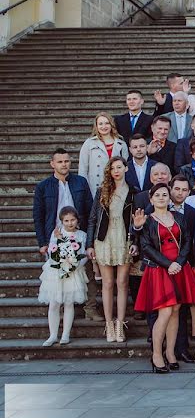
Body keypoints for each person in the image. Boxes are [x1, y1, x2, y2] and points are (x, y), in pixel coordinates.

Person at [133, 183, 195, 372]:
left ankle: (170, 353)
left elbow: (187, 240)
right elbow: (146, 247)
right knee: (164, 312)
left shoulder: (179, 217)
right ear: (151, 199)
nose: (162, 198)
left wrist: (179, 261)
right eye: (158, 195)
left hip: (179, 268)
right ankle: (156, 354)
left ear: (170, 198)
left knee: (176, 310)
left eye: (165, 194)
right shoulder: (147, 220)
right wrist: (168, 264)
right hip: (160, 268)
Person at [33, 149, 99, 321]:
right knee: (60, 274)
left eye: (67, 161)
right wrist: (43, 242)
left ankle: (90, 308)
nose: (64, 164)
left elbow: (91, 212)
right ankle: (65, 308)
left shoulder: (80, 183)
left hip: (79, 234)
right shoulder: (43, 187)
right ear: (52, 164)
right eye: (60, 161)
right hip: (56, 236)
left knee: (87, 273)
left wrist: (89, 240)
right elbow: (38, 216)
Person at [86, 156, 134, 343]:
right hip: (104, 239)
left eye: (119, 167)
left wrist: (135, 241)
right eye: (113, 168)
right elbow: (92, 219)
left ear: (126, 169)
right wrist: (89, 244)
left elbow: (134, 220)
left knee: (122, 282)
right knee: (107, 283)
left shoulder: (132, 192)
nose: (116, 171)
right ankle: (109, 324)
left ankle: (120, 324)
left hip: (123, 238)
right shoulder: (102, 191)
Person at [38, 207, 89, 347]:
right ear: (61, 221)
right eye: (66, 220)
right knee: (54, 303)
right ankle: (53, 335)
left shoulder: (82, 235)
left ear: (77, 220)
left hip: (73, 271)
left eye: (72, 220)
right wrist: (60, 263)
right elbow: (51, 251)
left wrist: (74, 265)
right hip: (56, 272)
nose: (70, 223)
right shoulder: (57, 233)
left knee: (68, 302)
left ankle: (65, 334)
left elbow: (84, 255)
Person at [79, 112, 128, 193]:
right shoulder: (89, 143)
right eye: (100, 124)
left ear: (111, 125)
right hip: (95, 187)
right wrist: (85, 191)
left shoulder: (121, 144)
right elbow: (83, 170)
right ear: (96, 126)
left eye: (107, 123)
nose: (104, 127)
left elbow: (125, 169)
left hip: (116, 188)